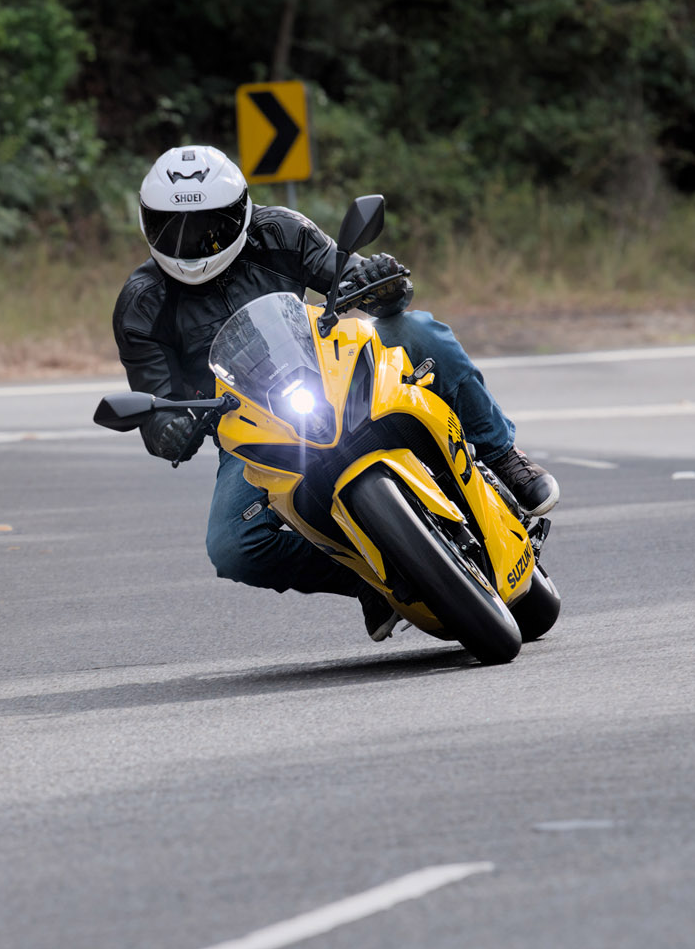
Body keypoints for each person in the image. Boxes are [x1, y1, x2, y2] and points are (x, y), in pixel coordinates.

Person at [111, 144, 557, 640]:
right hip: (255, 430)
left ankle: (502, 455)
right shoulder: (142, 304)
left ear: (239, 213)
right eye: (172, 227)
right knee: (232, 546)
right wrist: (166, 429)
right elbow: (154, 401)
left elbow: (359, 279)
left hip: (337, 373)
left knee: (419, 330)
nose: (191, 242)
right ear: (147, 223)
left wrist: (381, 282)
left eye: (208, 225)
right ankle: (372, 580)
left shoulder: (279, 231)